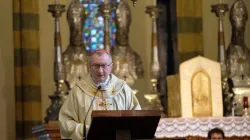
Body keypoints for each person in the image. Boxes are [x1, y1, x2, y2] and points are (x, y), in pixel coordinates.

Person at [59, 49, 141, 139]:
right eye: (96, 66)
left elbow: (137, 118)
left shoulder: (123, 89)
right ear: (89, 67)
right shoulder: (78, 91)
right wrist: (88, 131)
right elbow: (66, 121)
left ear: (111, 67)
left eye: (104, 66)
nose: (100, 71)